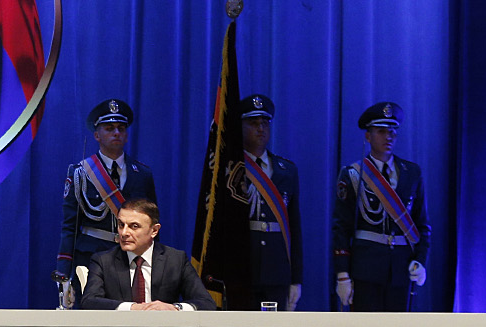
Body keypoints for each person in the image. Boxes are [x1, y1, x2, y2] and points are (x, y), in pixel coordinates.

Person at [54, 98, 159, 306]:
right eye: (109, 128)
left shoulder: (142, 174)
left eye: (121, 128)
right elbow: (69, 227)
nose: (116, 133)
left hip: (131, 258)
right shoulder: (80, 173)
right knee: (92, 316)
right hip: (91, 258)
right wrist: (64, 273)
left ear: (126, 134)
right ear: (97, 135)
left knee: (132, 314)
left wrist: (154, 264)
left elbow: (152, 224)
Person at [332, 101, 429, 311]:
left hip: (401, 271)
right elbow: (341, 229)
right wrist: (342, 275)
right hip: (365, 270)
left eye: (392, 131)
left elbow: (422, 224)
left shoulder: (412, 173)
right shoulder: (353, 175)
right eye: (381, 131)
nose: (389, 136)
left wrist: (420, 260)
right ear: (368, 136)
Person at [80, 200, 216, 311]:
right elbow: (89, 301)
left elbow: (206, 303)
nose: (124, 233)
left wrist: (175, 308)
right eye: (121, 225)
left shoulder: (175, 260)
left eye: (134, 226)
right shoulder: (103, 261)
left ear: (154, 230)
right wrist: (132, 308)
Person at [236, 94, 301, 310]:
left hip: (276, 269)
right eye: (253, 123)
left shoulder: (287, 170)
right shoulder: (231, 169)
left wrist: (295, 279)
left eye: (265, 123)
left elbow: (294, 228)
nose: (260, 128)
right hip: (242, 267)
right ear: (241, 126)